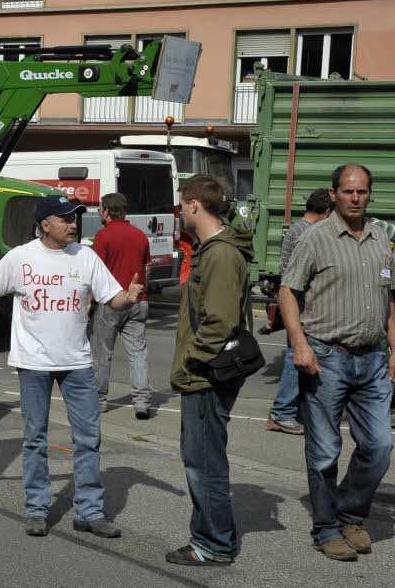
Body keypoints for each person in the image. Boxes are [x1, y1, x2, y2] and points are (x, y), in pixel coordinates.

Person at [0, 193, 143, 538]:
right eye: (66, 218)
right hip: (33, 363)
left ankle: (89, 511)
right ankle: (37, 509)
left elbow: (113, 297)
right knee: (35, 439)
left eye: (75, 217)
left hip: (77, 363)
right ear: (45, 224)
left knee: (88, 439)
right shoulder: (21, 258)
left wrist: (129, 297)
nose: (74, 223)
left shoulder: (86, 256)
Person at [279, 164, 394, 562]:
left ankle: (351, 514)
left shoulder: (382, 239)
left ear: (369, 194)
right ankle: (326, 528)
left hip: (373, 359)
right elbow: (288, 292)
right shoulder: (316, 238)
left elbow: (390, 300)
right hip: (326, 358)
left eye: (362, 191)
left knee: (380, 445)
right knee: (325, 450)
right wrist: (300, 345)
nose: (355, 198)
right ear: (334, 194)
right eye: (348, 191)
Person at [165, 174, 254, 566]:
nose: (180, 210)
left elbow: (218, 321)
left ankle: (213, 544)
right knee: (204, 459)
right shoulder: (213, 249)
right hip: (206, 372)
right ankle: (214, 536)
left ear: (194, 205)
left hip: (206, 374)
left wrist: (191, 359)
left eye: (182, 204)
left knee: (204, 464)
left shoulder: (218, 254)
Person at [267, 188, 333, 435]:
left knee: (297, 356)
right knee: (297, 358)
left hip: (294, 302)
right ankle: (282, 412)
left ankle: (291, 410)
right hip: (301, 305)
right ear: (327, 212)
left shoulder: (294, 228)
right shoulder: (309, 233)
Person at [90, 192, 154, 419]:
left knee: (102, 353)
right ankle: (142, 402)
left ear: (106, 211)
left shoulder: (103, 236)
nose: (99, 212)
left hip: (111, 302)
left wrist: (88, 303)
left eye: (100, 209)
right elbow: (146, 269)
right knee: (137, 353)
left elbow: (95, 274)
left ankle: (100, 400)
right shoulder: (140, 236)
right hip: (138, 301)